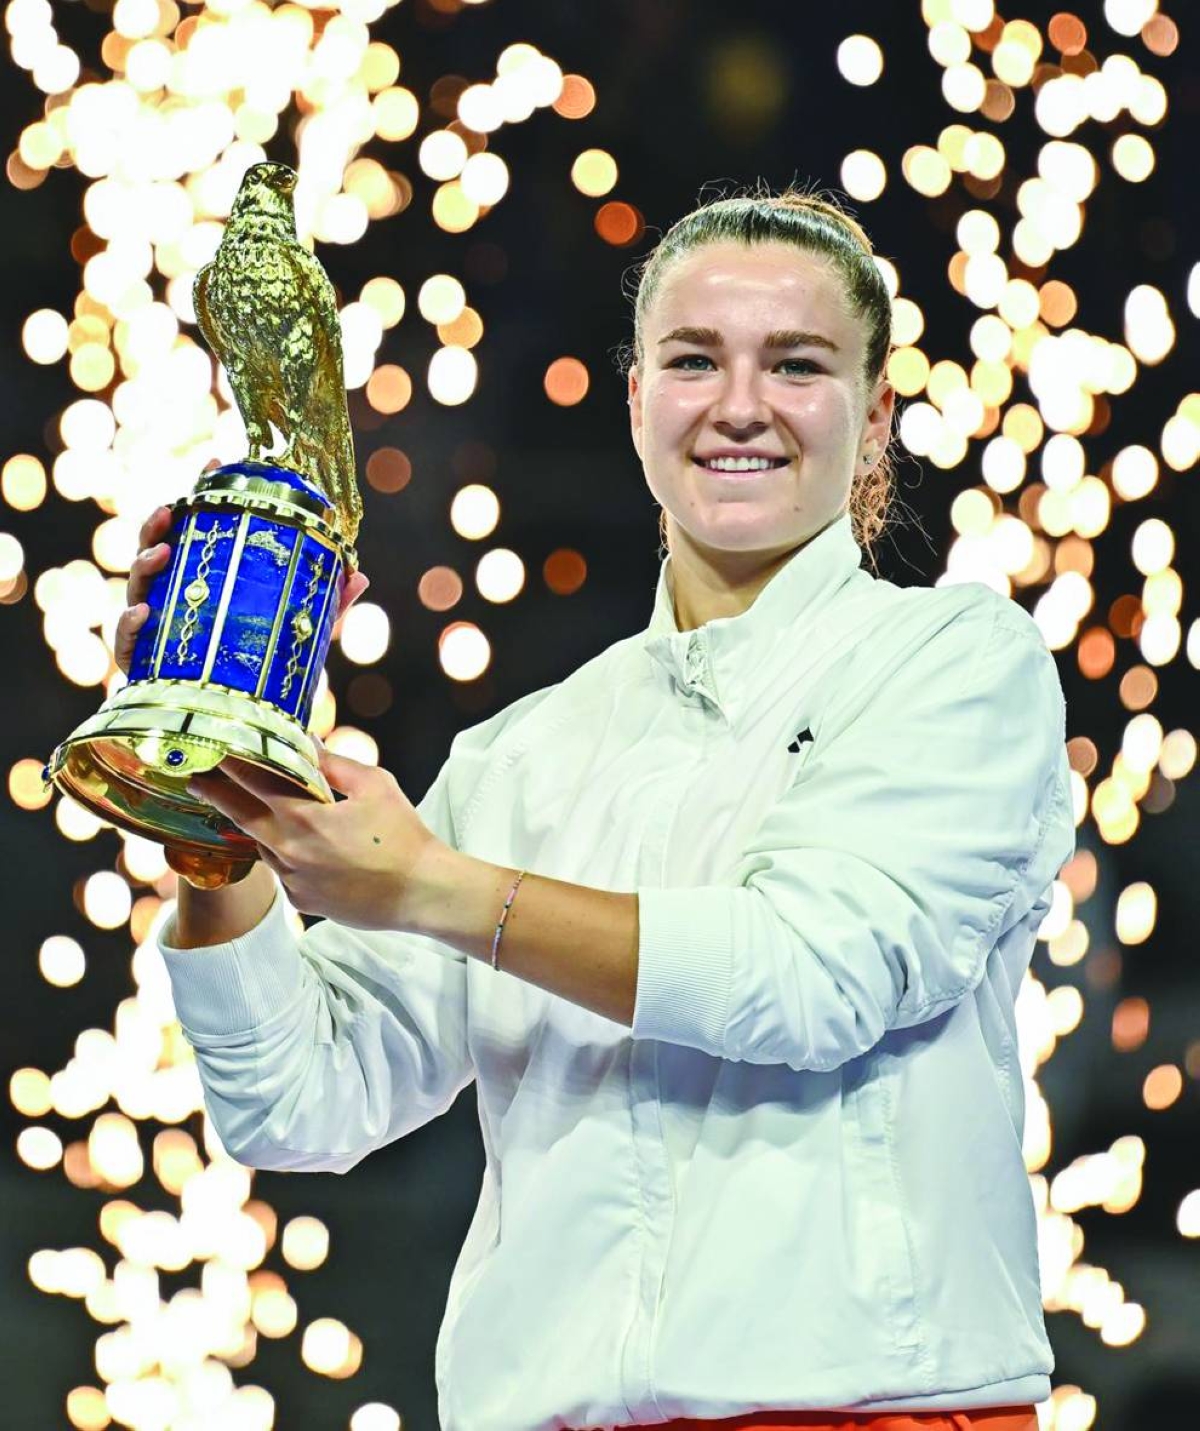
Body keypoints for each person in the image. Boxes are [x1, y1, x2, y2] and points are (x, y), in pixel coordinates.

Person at [115, 187, 1075, 1431]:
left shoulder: (958, 660)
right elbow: (303, 1101)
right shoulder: (523, 754)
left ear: (876, 412)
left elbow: (810, 975)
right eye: (693, 361)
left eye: (796, 365)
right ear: (636, 402)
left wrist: (430, 888)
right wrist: (215, 799)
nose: (740, 405)